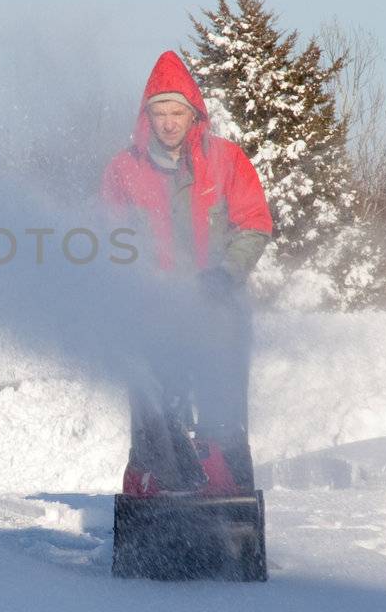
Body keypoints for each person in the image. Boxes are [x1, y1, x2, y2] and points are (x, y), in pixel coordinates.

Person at [100, 50, 273, 497]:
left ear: (194, 113)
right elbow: (107, 235)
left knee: (221, 394)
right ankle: (155, 477)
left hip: (218, 302)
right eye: (160, 112)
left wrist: (226, 273)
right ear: (147, 116)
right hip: (155, 308)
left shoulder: (226, 160)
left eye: (177, 111)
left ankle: (226, 478)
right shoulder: (124, 169)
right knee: (155, 396)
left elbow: (255, 222)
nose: (169, 122)